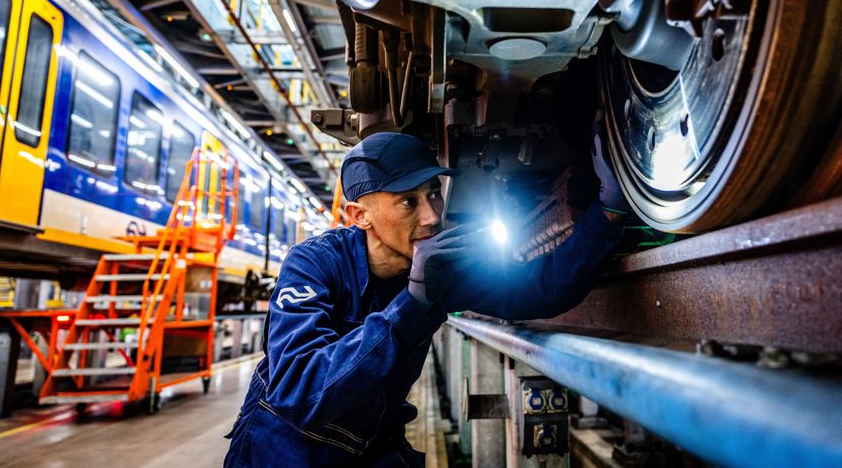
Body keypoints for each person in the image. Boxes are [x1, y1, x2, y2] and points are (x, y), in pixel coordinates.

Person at [223, 124, 629, 467]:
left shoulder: (440, 269)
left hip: (370, 444)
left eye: (433, 192)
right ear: (359, 216)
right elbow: (300, 390)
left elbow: (539, 289)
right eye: (407, 202)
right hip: (283, 450)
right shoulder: (313, 264)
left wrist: (608, 213)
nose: (432, 215)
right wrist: (411, 304)